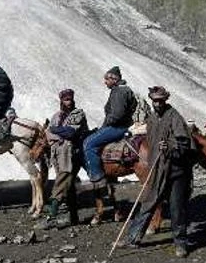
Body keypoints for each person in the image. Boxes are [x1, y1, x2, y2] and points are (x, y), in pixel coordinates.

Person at [119, 86, 194, 257]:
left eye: (160, 100)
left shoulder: (174, 117)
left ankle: (180, 243)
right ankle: (133, 238)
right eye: (155, 100)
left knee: (176, 208)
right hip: (157, 168)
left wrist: (170, 145)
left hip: (176, 171)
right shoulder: (152, 119)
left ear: (165, 100)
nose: (157, 103)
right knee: (147, 203)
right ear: (151, 100)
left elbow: (185, 143)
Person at [40, 89, 88, 226]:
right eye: (66, 99)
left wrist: (55, 131)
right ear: (61, 100)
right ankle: (74, 217)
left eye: (70, 99)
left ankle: (51, 216)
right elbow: (47, 134)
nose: (69, 101)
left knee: (62, 180)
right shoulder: (57, 115)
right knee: (69, 185)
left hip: (71, 152)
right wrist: (56, 134)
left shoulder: (78, 114)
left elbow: (71, 133)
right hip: (57, 154)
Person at [83, 66, 137, 185]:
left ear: (114, 79)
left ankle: (97, 176)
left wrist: (106, 125)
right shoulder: (123, 90)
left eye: (107, 79)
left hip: (118, 127)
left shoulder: (119, 92)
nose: (105, 82)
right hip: (123, 125)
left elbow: (117, 114)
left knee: (88, 143)